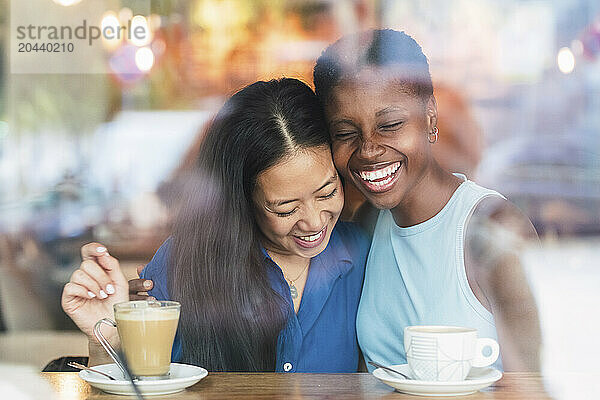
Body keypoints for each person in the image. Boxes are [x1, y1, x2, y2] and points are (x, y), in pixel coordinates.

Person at [61, 78, 369, 372]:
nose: (314, 221)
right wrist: (108, 343)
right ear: (242, 200)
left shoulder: (364, 255)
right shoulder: (182, 264)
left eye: (327, 192)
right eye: (285, 208)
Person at [312, 29, 541, 371]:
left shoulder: (489, 226)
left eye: (389, 124)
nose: (368, 149)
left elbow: (531, 383)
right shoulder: (368, 224)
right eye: (345, 134)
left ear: (430, 117)